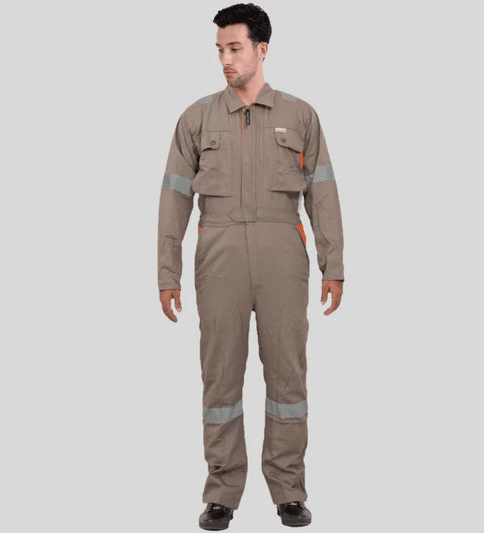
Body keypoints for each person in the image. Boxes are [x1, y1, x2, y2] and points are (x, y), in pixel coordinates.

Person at [157, 3, 345, 529]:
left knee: (288, 374)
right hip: (217, 255)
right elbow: (173, 199)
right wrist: (167, 272)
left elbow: (323, 193)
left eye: (235, 48)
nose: (225, 59)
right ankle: (221, 491)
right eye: (220, 49)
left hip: (283, 253)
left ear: (262, 49)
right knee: (220, 377)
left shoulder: (301, 116)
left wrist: (333, 263)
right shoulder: (195, 118)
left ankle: (289, 489)